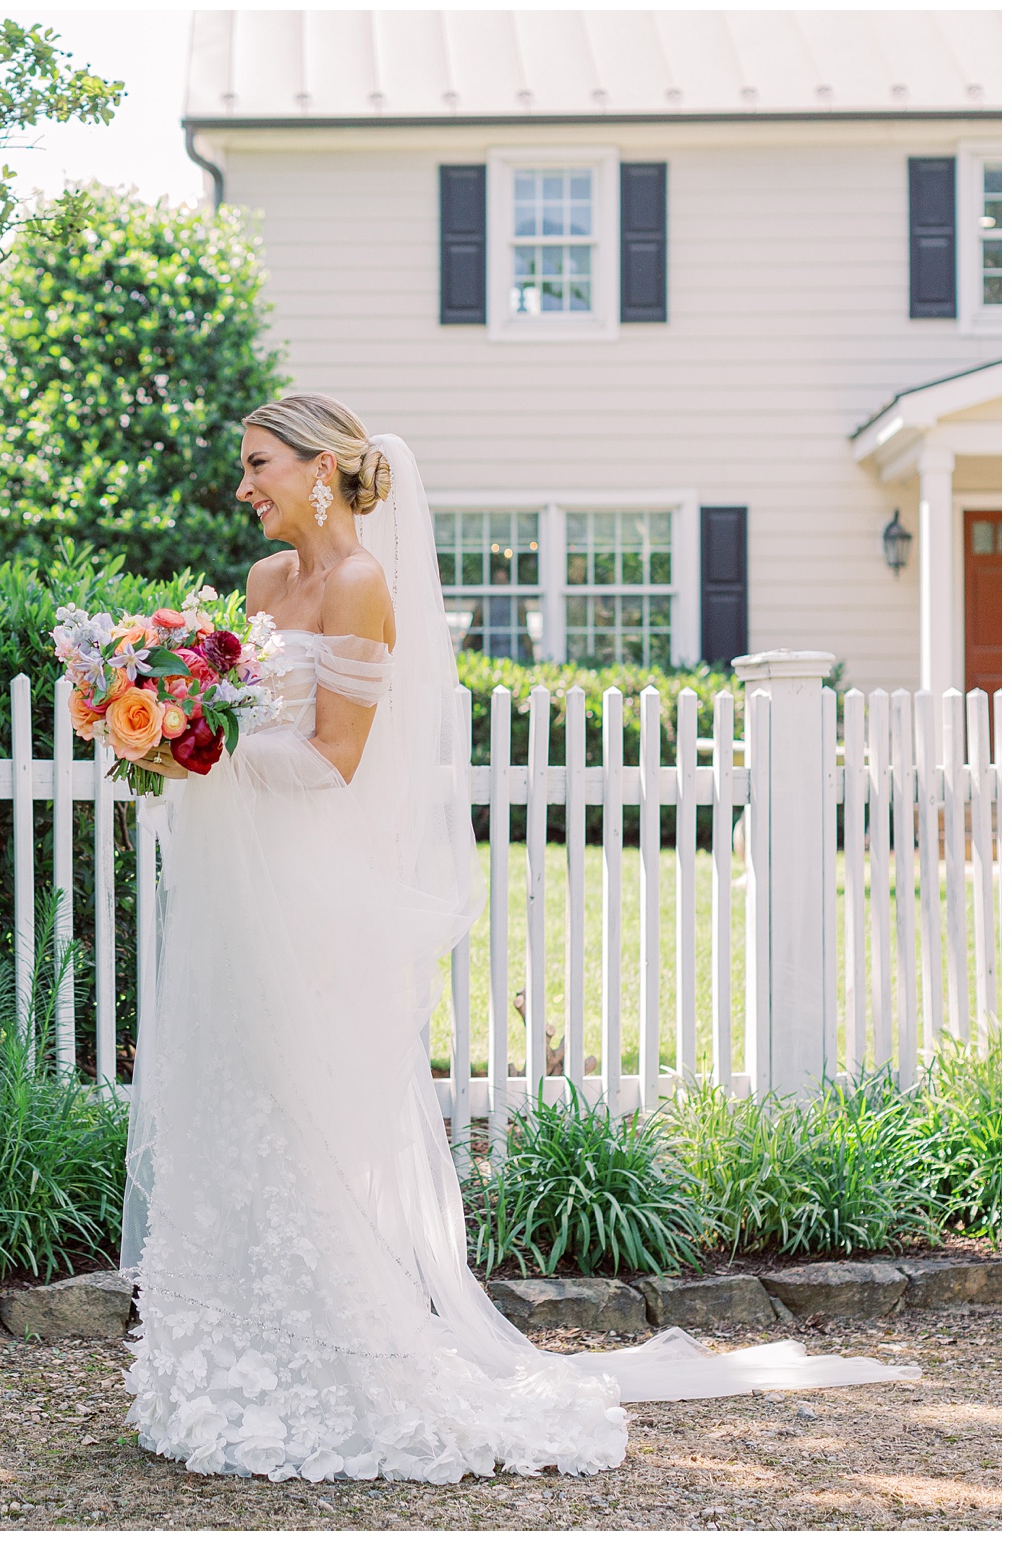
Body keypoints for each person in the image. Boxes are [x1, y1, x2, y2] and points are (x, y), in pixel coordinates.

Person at [118, 392, 918, 1484]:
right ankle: (232, 1361)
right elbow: (245, 715)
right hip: (238, 885)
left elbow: (334, 760)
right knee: (233, 1098)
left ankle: (343, 1365)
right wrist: (170, 728)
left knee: (299, 1110)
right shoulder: (259, 586)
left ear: (319, 467)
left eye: (257, 463)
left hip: (310, 891)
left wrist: (198, 748)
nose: (242, 483)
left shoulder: (359, 584)